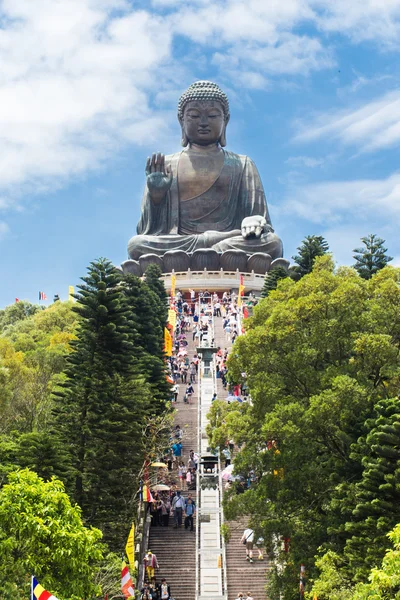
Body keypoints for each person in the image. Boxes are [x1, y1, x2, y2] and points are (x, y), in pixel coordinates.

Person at [126, 81, 283, 267]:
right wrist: (157, 197)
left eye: (212, 115)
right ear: (181, 120)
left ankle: (205, 254)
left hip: (227, 241)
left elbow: (260, 222)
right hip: (181, 244)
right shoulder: (166, 165)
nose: (203, 123)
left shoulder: (242, 164)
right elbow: (148, 232)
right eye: (193, 116)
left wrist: (254, 220)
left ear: (226, 120)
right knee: (136, 245)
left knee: (272, 243)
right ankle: (210, 253)